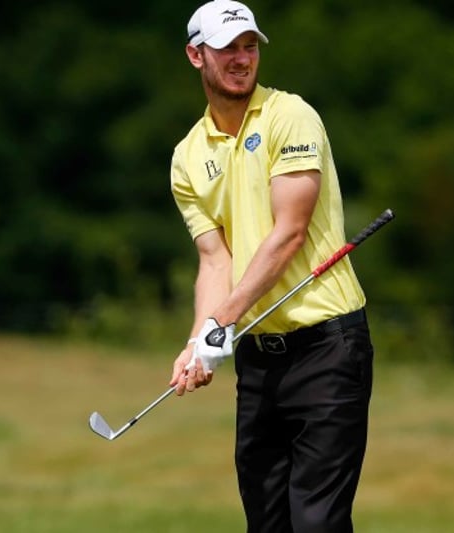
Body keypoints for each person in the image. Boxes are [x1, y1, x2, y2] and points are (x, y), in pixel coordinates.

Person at [168, 2, 375, 531]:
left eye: (250, 46)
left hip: (328, 350)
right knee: (266, 521)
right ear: (196, 55)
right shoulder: (188, 157)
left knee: (317, 521)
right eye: (227, 48)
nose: (241, 59)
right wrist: (198, 341)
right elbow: (216, 260)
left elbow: (289, 234)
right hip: (260, 361)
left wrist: (225, 320)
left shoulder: (291, 116)